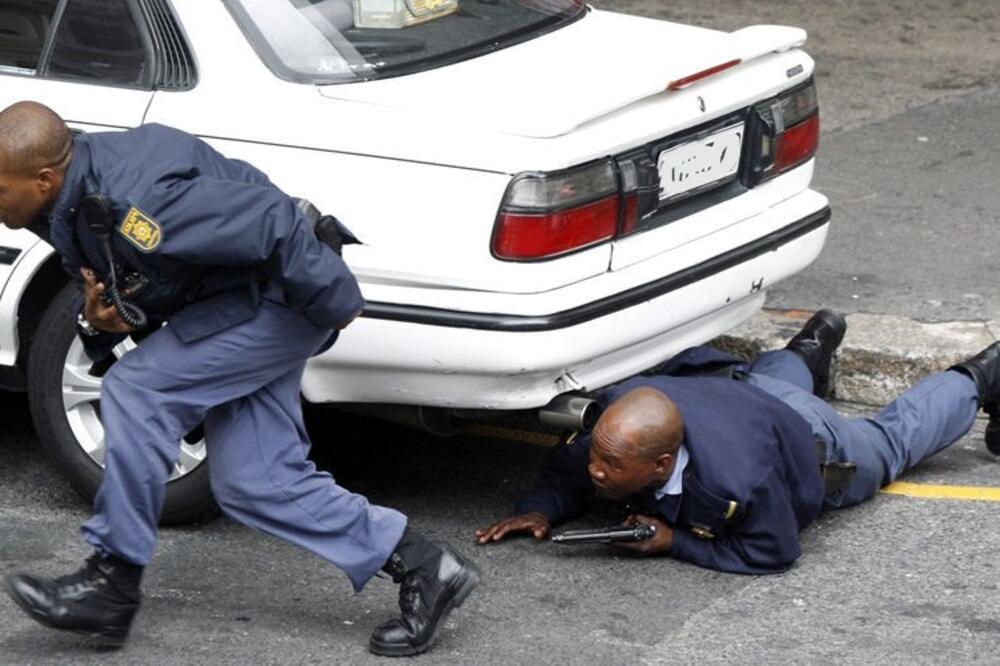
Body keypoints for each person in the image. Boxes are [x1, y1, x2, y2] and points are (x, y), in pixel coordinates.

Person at [0, 101, 478, 656]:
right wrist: (100, 319)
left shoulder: (141, 201)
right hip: (235, 301)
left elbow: (271, 219)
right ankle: (426, 565)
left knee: (137, 389)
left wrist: (336, 298)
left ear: (42, 178)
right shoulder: (71, 196)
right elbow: (119, 276)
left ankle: (112, 580)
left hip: (280, 299)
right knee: (255, 480)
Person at [476, 309, 1000, 573]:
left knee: (891, 444)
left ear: (661, 464)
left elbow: (775, 550)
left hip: (809, 439)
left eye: (610, 467)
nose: (595, 470)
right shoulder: (611, 433)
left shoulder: (739, 480)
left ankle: (979, 376)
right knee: (768, 389)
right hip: (745, 395)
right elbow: (565, 470)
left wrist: (673, 542)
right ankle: (811, 344)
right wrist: (540, 509)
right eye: (596, 457)